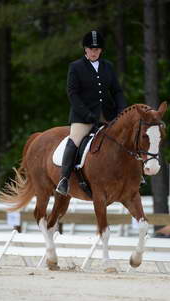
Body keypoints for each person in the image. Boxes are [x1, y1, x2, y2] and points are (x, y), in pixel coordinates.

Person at [56, 30, 127, 196]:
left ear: (101, 50)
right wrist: (87, 114)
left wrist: (121, 110)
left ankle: (136, 176)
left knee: (128, 139)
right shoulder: (76, 67)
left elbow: (117, 91)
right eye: (90, 49)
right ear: (85, 49)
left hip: (108, 116)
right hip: (84, 117)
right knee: (74, 140)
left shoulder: (108, 66)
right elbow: (72, 93)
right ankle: (64, 179)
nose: (94, 52)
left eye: (97, 49)